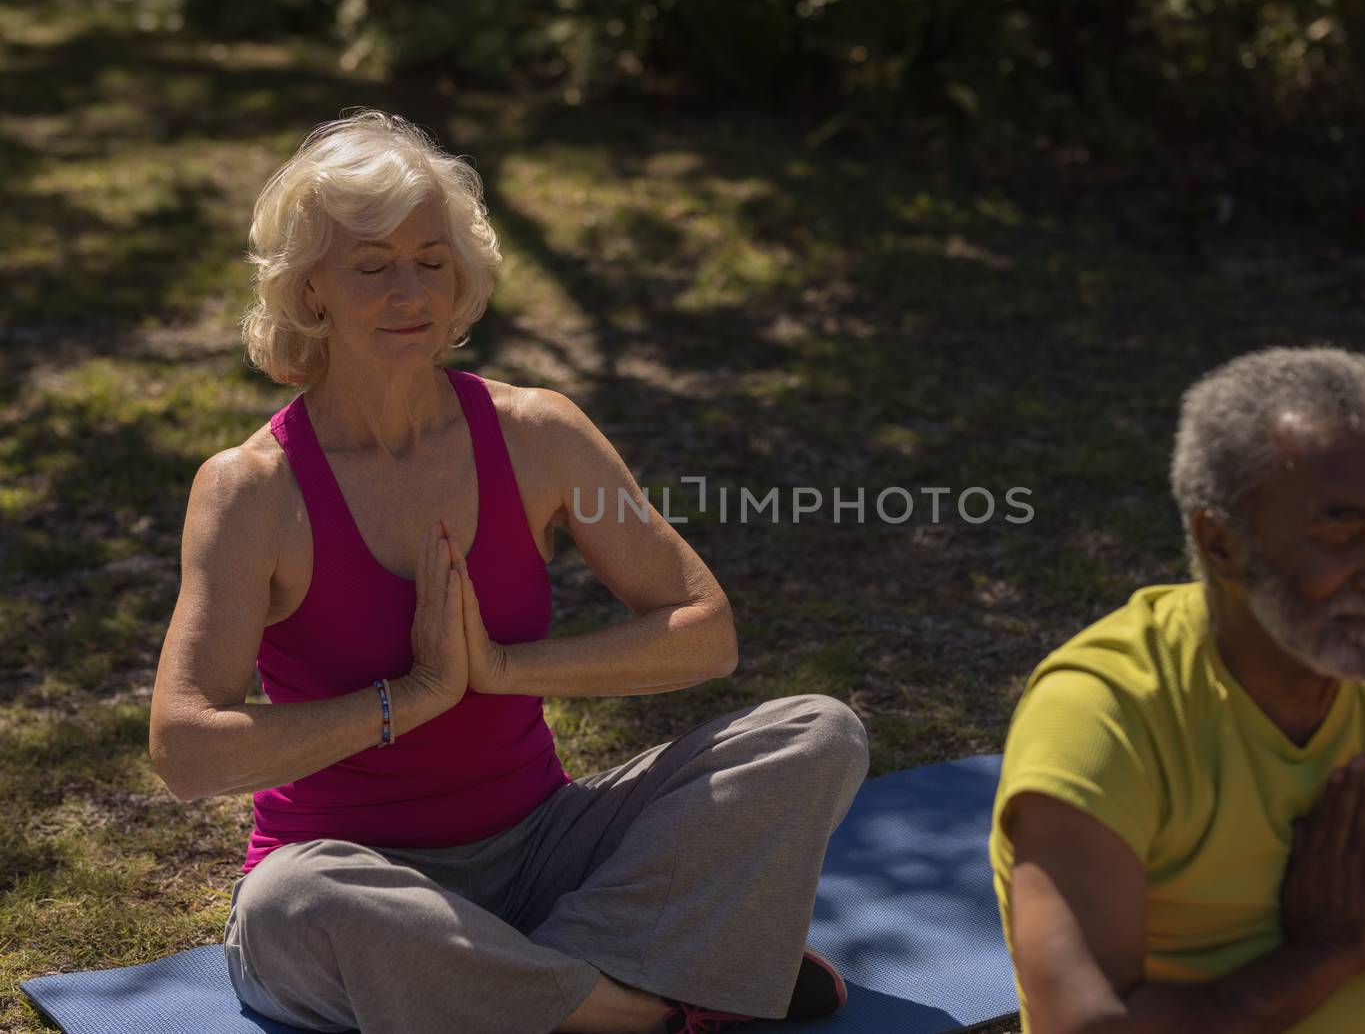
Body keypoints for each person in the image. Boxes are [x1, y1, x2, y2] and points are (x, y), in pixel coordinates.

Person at [148, 110, 869, 1034]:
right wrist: (410, 696)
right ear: (310, 290)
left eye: (432, 259)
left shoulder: (539, 437)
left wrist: (501, 670)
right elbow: (184, 748)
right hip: (353, 873)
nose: (411, 290)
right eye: (372, 265)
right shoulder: (252, 490)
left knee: (817, 732)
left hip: (543, 855)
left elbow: (704, 629)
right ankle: (646, 1006)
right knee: (299, 903)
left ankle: (528, 985)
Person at [990, 346, 1365, 1034]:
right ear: (1221, 544)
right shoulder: (1104, 713)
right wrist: (1320, 956)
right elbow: (1087, 1025)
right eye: (1340, 531)